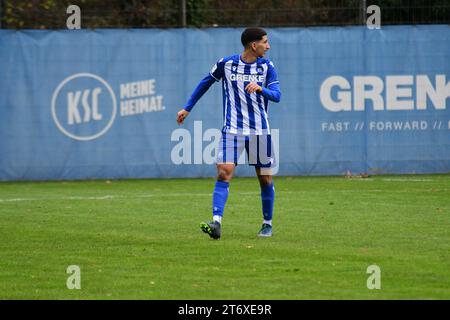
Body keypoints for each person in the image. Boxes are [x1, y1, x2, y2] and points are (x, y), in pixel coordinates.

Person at [176, 27, 281, 239]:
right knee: (224, 171)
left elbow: (277, 96)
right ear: (254, 45)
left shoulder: (267, 66)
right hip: (232, 129)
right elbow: (205, 83)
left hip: (260, 130)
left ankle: (267, 224)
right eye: (265, 42)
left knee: (265, 179)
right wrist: (187, 107)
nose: (268, 46)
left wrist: (261, 89)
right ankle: (216, 223)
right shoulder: (227, 64)